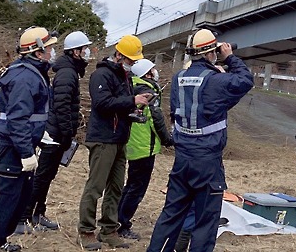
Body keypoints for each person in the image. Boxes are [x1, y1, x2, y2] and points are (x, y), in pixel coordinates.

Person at [146, 29, 254, 252]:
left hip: (183, 158)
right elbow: (245, 80)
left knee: (171, 215)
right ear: (210, 53)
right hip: (207, 161)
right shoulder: (216, 80)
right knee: (205, 222)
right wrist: (230, 57)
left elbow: (175, 110)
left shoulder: (179, 79)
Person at [0, 26, 58, 252]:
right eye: (49, 48)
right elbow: (17, 119)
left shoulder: (30, 73)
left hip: (17, 145)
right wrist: (27, 153)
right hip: (11, 150)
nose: (53, 52)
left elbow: (30, 114)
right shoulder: (25, 77)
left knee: (16, 203)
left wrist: (40, 133)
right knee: (1, 205)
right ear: (38, 52)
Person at [77, 35, 153, 251]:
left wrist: (135, 108)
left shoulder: (124, 77)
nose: (132, 63)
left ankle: (109, 230)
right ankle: (85, 231)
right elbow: (102, 104)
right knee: (95, 186)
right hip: (102, 139)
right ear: (118, 55)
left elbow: (119, 105)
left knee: (116, 187)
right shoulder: (101, 74)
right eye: (130, 59)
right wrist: (132, 100)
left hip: (119, 138)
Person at [14, 31, 93, 234]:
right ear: (75, 51)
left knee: (47, 176)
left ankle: (37, 214)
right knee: (42, 176)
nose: (87, 52)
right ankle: (24, 218)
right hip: (54, 135)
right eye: (84, 49)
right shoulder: (67, 73)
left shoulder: (69, 71)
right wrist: (67, 134)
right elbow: (62, 106)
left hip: (58, 133)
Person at [116, 59, 173, 240]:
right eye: (153, 69)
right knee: (137, 188)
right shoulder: (148, 91)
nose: (156, 72)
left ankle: (118, 219)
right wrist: (167, 140)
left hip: (133, 143)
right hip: (144, 146)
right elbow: (156, 119)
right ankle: (122, 224)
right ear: (147, 74)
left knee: (131, 185)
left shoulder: (131, 86)